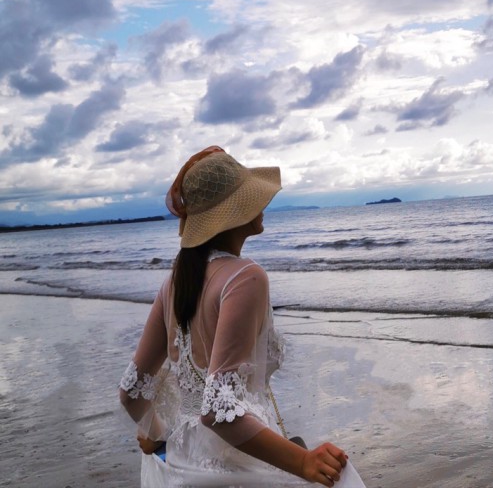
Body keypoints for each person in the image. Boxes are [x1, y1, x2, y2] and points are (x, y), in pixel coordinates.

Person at [119, 146, 360, 487]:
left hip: (183, 468)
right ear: (234, 212)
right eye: (251, 196)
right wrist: (303, 461)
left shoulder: (173, 283)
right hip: (239, 466)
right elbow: (218, 413)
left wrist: (159, 437)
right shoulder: (245, 277)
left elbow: (131, 392)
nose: (262, 204)